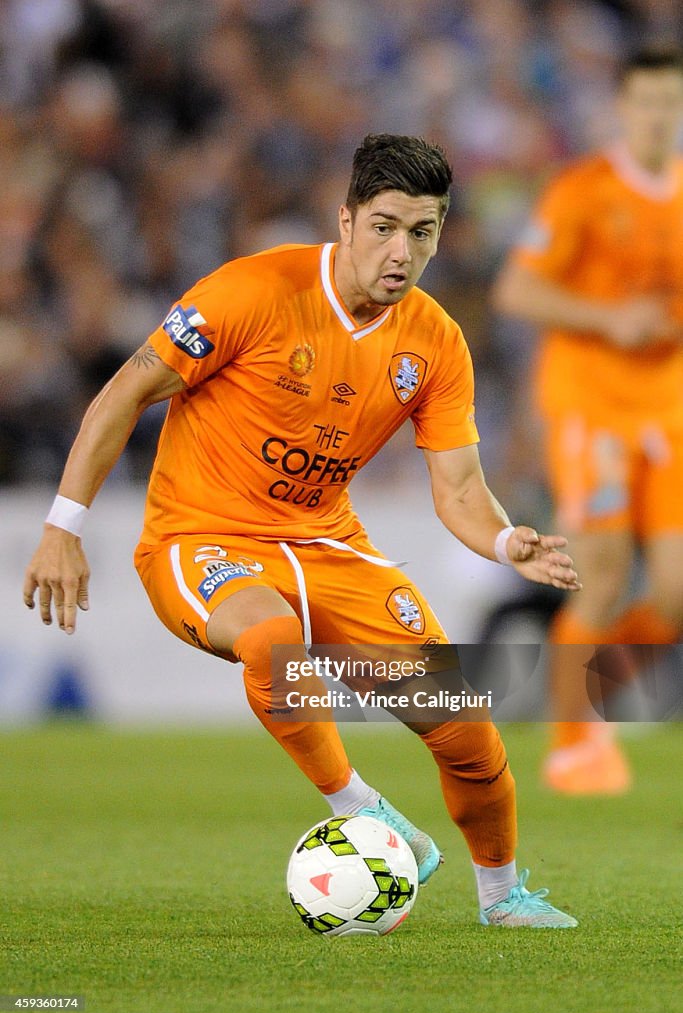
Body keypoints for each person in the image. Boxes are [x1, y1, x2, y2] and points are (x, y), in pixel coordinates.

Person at [24, 133, 580, 926]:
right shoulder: (252, 291)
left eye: (422, 233)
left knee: (463, 725)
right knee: (273, 643)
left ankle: (503, 897)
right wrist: (62, 527)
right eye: (384, 226)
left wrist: (503, 541)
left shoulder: (433, 341)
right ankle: (366, 811)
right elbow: (122, 395)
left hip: (326, 547)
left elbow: (458, 489)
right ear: (345, 220)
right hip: (200, 537)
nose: (401, 252)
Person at [493, 48, 683, 795]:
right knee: (600, 580)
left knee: (674, 594)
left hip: (666, 411)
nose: (659, 116)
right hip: (590, 408)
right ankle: (573, 744)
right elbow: (515, 291)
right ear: (620, 109)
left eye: (671, 101)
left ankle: (582, 693)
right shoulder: (581, 192)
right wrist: (609, 317)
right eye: (645, 102)